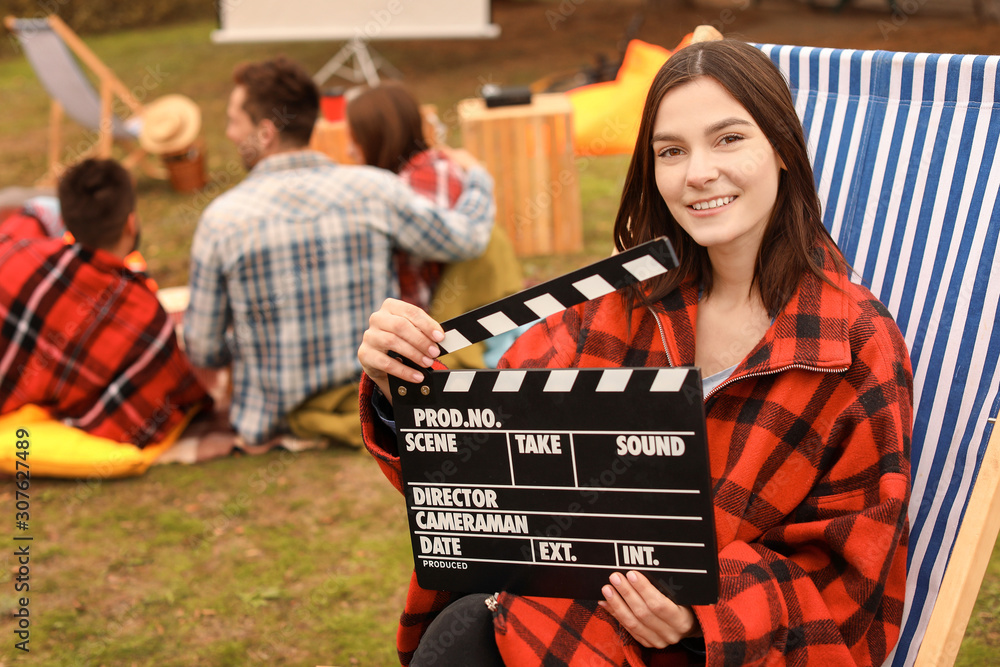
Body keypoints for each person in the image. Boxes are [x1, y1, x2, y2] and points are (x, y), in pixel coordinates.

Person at [356, 39, 912, 666]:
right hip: (563, 622)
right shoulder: (619, 303)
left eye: (728, 138)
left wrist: (700, 612)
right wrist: (400, 387)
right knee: (461, 637)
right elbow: (483, 475)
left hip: (731, 652)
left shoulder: (854, 347)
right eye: (671, 151)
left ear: (783, 149)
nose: (698, 172)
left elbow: (852, 576)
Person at [184, 56, 495, 447]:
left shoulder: (221, 220)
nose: (227, 133)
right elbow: (468, 238)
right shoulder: (375, 188)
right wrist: (478, 175)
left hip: (272, 414)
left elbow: (202, 347)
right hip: (370, 393)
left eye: (233, 121)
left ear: (265, 133)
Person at [0, 158, 210, 447]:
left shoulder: (16, 255)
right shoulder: (142, 314)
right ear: (130, 224)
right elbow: (164, 405)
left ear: (67, 223)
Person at [345, 83, 524, 368]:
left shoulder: (423, 177)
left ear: (376, 137)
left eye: (354, 138)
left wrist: (479, 175)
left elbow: (465, 236)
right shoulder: (424, 172)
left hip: (429, 336)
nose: (349, 150)